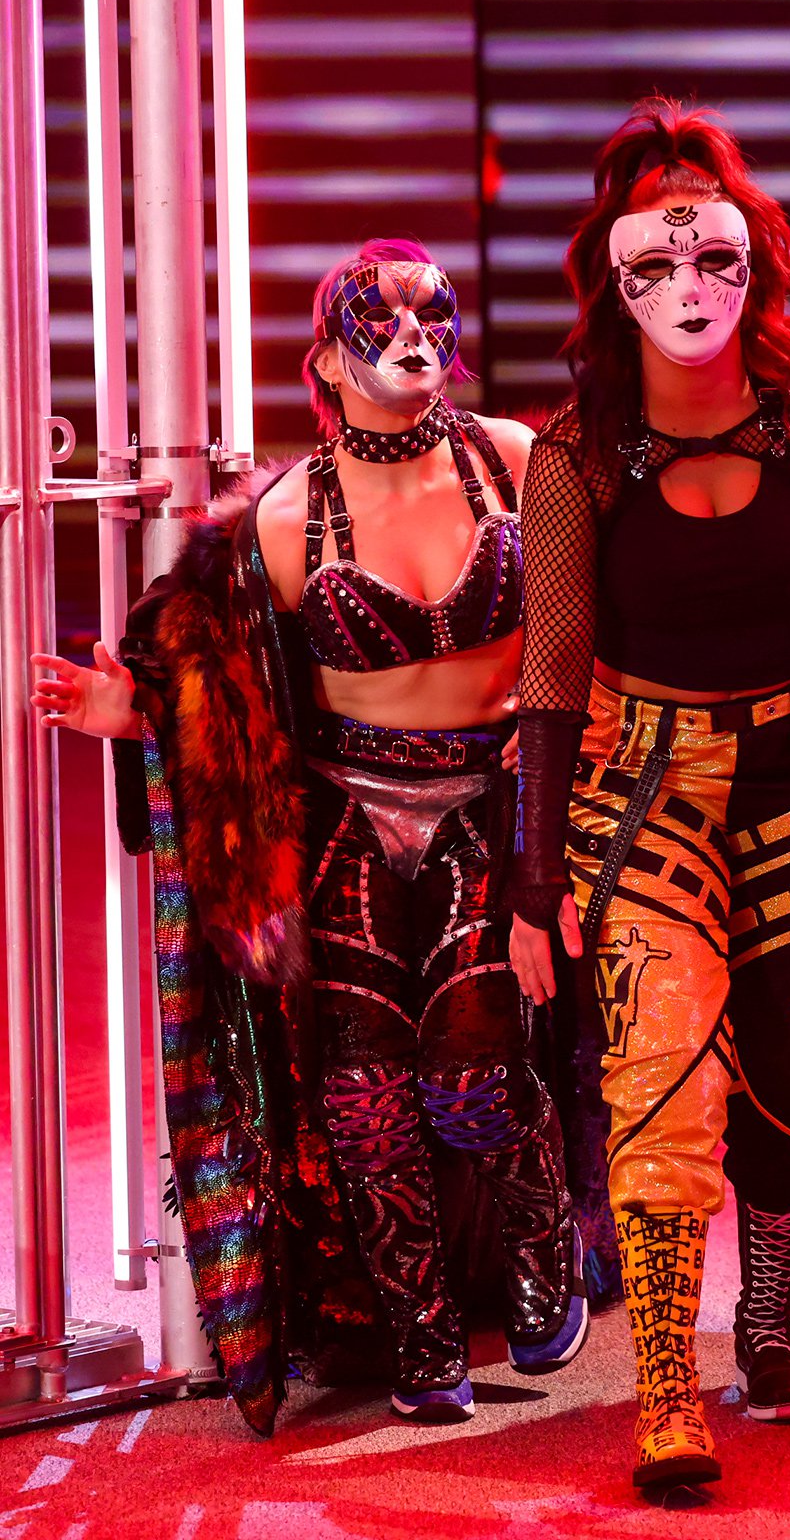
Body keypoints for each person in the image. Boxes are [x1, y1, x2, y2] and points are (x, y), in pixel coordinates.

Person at [31, 240, 585, 1429]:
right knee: (365, 1098)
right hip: (348, 822)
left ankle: (543, 1228)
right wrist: (136, 711)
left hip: (488, 806)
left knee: (475, 1077)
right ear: (328, 358)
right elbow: (222, 685)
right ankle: (419, 1329)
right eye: (382, 319)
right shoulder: (283, 521)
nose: (414, 335)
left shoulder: (517, 461)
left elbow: (597, 625)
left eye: (433, 311)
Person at [506, 98, 790, 1496]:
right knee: (659, 1074)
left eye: (715, 258)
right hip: (642, 788)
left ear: (758, 261)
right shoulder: (575, 452)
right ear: (612, 280)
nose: (688, 288)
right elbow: (552, 664)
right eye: (655, 263)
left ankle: (769, 1323)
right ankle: (667, 1382)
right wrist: (534, 878)